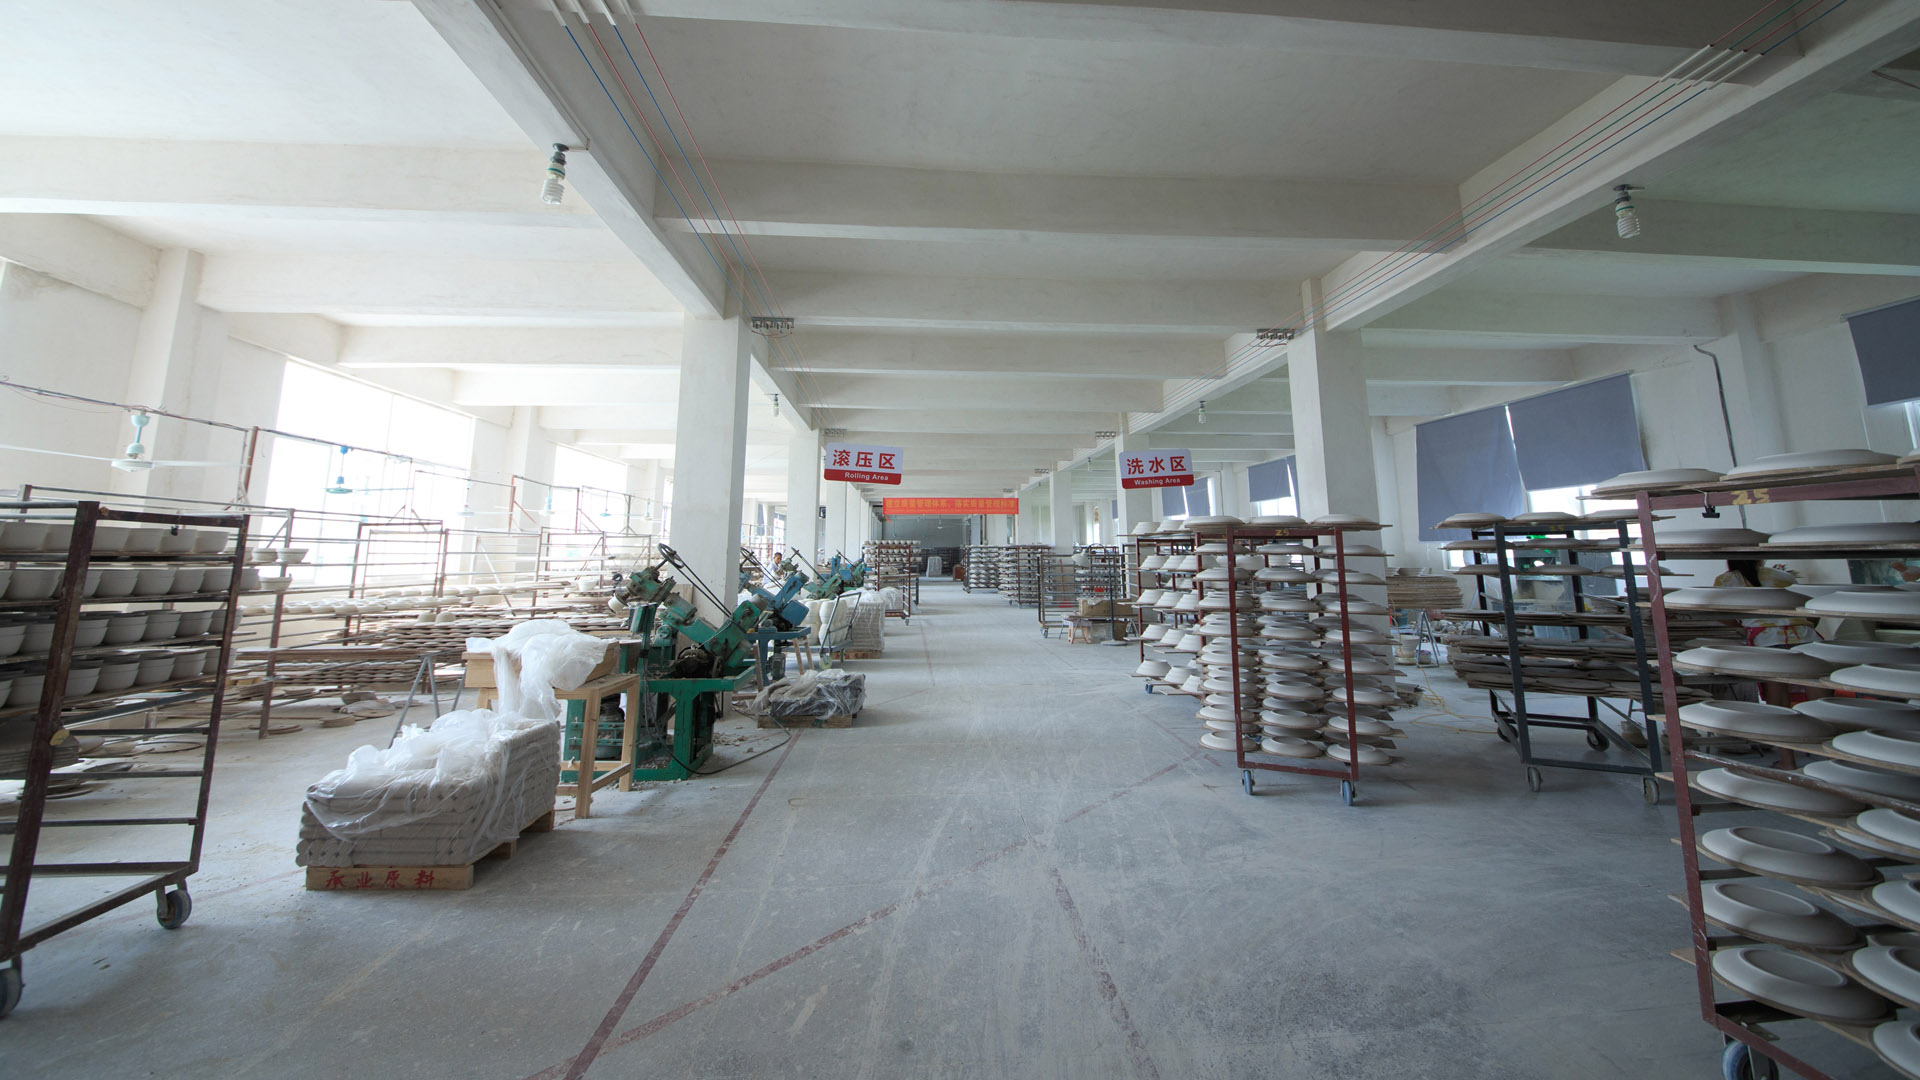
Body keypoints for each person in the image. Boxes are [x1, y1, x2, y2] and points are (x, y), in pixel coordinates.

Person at [1714, 559, 1815, 707]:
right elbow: (1810, 607)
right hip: (1805, 634)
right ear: (1760, 558)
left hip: (1767, 639)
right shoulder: (1784, 576)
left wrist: (1742, 626)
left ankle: (1783, 728)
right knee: (1815, 685)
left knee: (1776, 694)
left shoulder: (1725, 580)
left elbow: (1720, 615)